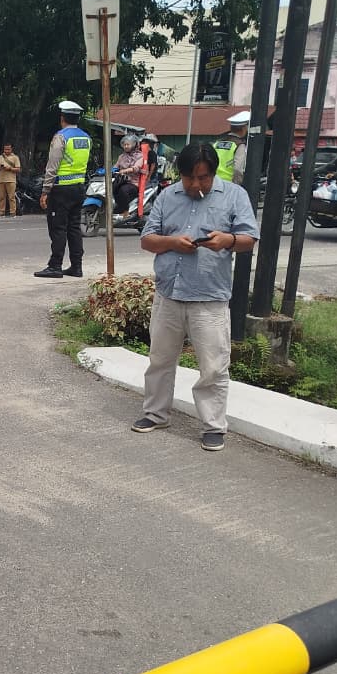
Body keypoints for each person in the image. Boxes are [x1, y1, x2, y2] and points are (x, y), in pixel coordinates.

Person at [131, 143, 259, 451]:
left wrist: (227, 239)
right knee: (160, 359)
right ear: (180, 174)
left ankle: (213, 426)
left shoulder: (234, 196)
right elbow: (147, 240)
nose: (195, 185)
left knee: (213, 366)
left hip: (209, 296)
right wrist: (173, 242)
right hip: (169, 293)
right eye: (189, 178)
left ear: (213, 173)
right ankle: (156, 413)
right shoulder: (167, 196)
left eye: (202, 178)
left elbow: (249, 239)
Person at [35, 101, 92, 279]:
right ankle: (77, 266)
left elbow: (53, 166)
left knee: (58, 228)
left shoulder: (61, 137)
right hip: (79, 187)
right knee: (74, 227)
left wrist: (45, 190)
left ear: (62, 118)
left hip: (61, 189)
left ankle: (55, 266)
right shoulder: (86, 137)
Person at [212, 111, 250, 184]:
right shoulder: (239, 145)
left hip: (214, 183)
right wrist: (236, 186)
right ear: (244, 129)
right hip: (228, 185)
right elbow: (238, 169)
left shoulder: (217, 143)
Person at [113, 134, 145, 215]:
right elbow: (116, 167)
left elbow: (136, 168)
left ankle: (125, 211)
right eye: (124, 144)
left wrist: (125, 170)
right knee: (110, 188)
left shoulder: (140, 156)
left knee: (123, 190)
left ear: (134, 145)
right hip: (121, 180)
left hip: (133, 183)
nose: (126, 146)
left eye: (128, 144)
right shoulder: (121, 156)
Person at [0, 142, 21, 217]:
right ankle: (1, 212)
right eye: (5, 149)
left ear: (11, 149)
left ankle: (13, 213)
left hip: (11, 180)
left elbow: (18, 169)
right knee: (1, 197)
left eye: (8, 149)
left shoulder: (15, 157)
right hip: (1, 180)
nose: (7, 151)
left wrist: (10, 168)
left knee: (11, 197)